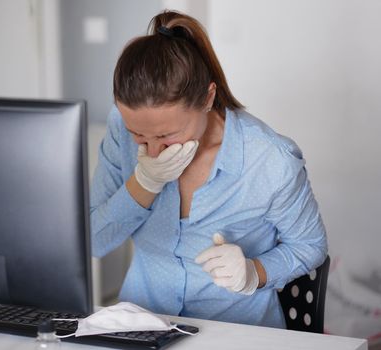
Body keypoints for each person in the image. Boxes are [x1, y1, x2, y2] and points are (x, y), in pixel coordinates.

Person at [90, 10, 328, 328]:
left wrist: (254, 272)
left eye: (166, 135)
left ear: (207, 98)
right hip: (141, 325)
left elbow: (310, 245)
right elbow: (94, 240)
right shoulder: (121, 128)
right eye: (139, 135)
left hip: (237, 333)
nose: (151, 149)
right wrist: (143, 184)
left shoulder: (270, 160)